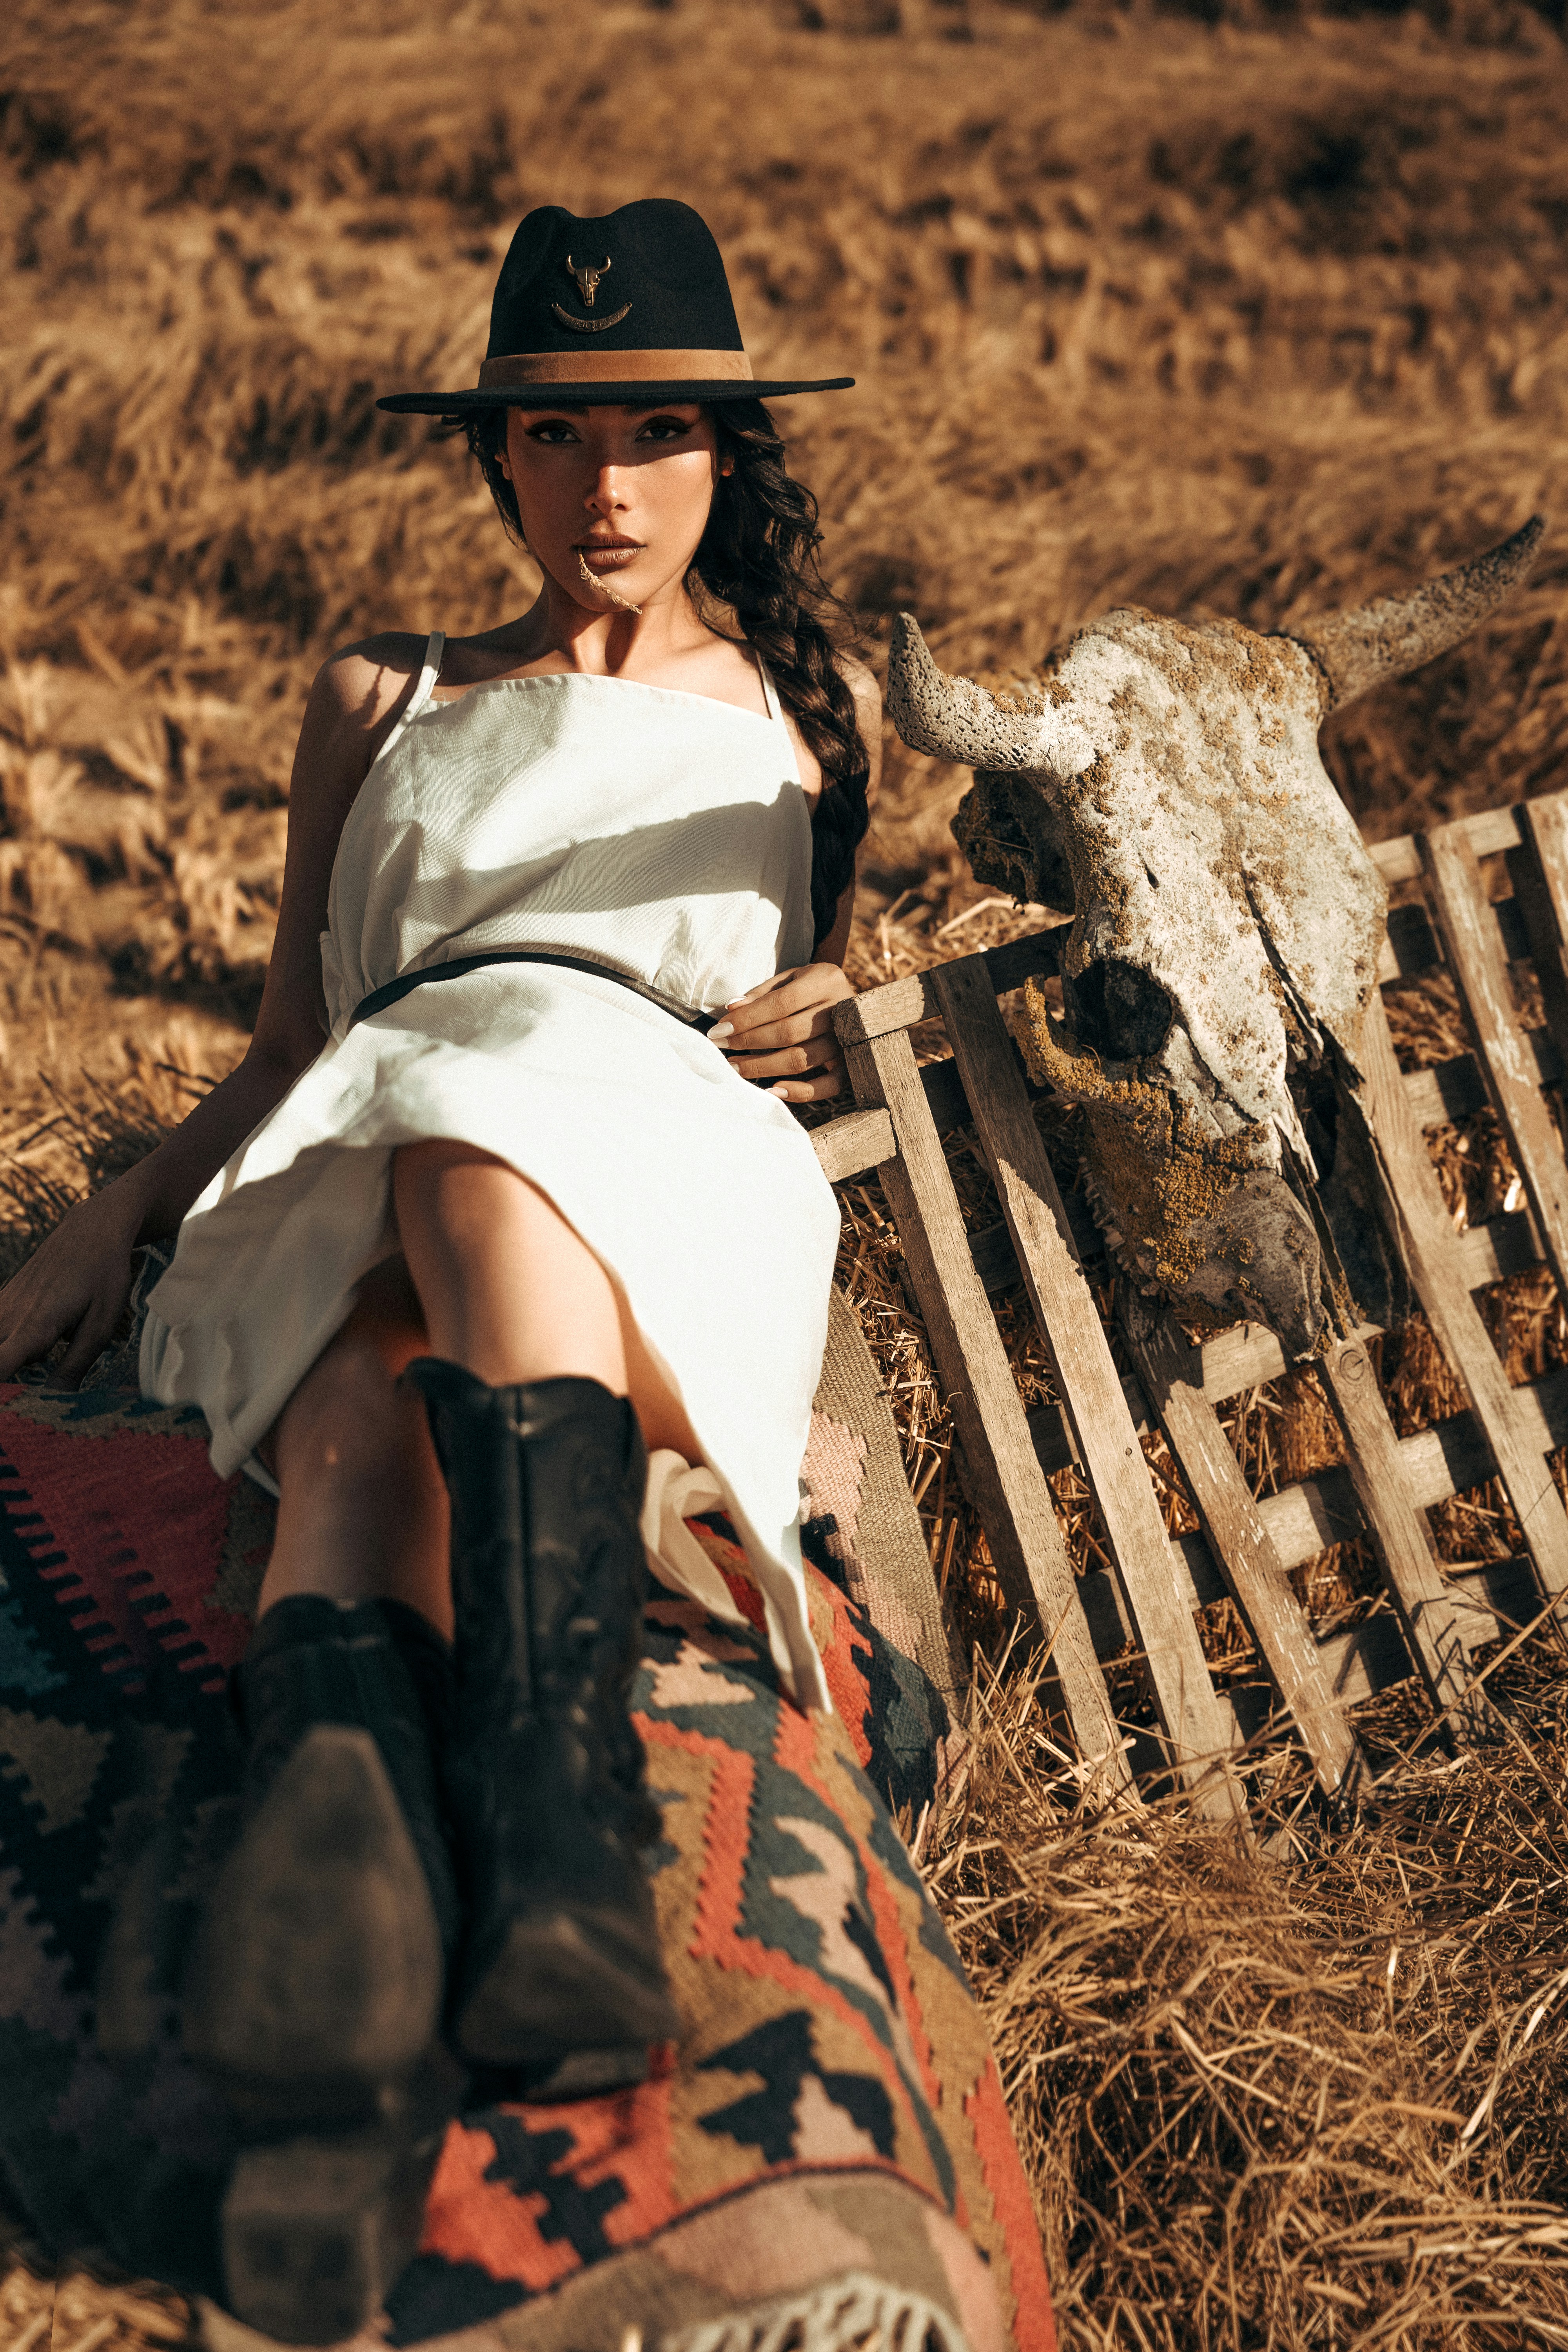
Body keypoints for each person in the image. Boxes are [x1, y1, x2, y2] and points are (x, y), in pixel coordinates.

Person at [0, 200, 878, 2337]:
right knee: (352, 1427)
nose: (608, 487)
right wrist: (118, 1211)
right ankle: (364, 2055)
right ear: (496, 454)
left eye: (657, 432)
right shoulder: (381, 691)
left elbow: (822, 1004)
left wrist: (844, 1005)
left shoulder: (804, 718)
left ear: (725, 455)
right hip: (370, 1148)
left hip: (652, 1177)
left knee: (491, 1133)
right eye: (560, 437)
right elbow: (298, 1050)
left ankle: (536, 1815)